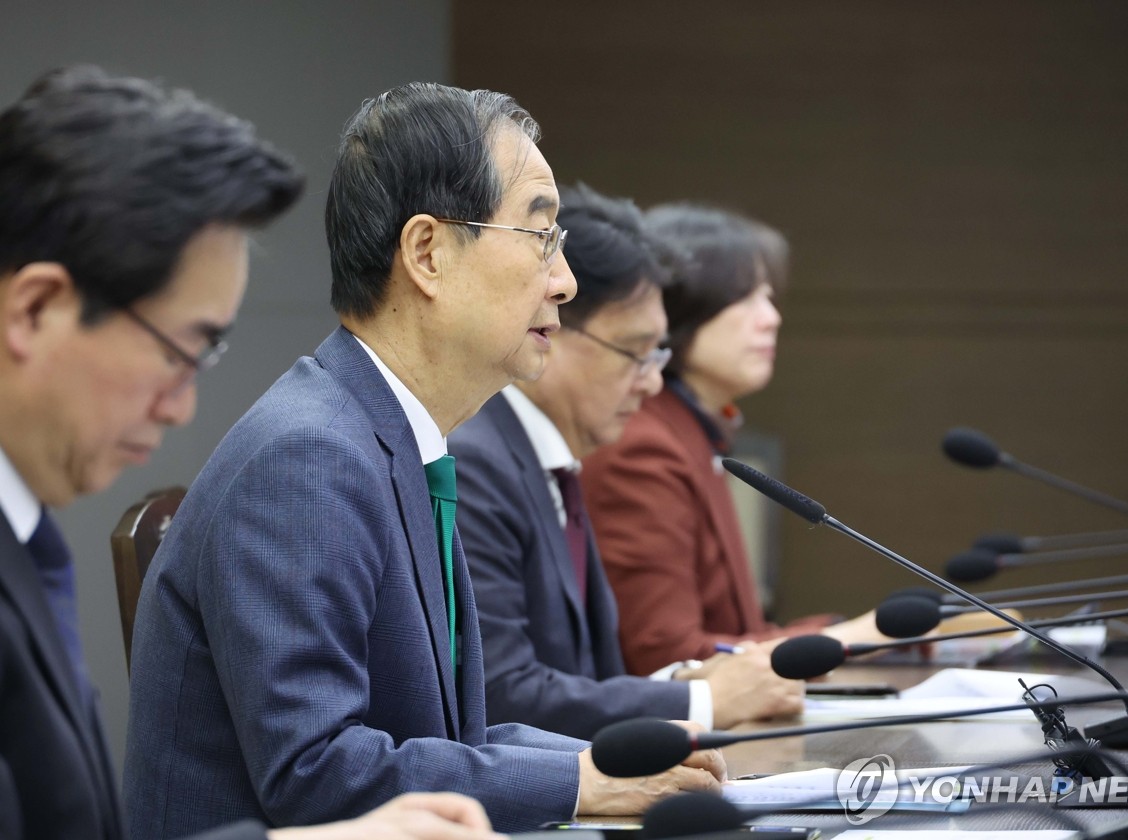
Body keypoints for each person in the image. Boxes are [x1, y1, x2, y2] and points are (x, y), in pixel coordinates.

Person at [124, 83, 724, 839]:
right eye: (541, 236)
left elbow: (452, 743)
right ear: (428, 253)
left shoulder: (387, 436)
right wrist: (578, 783)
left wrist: (610, 770)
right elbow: (317, 772)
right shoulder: (308, 459)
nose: (564, 280)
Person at [0, 65, 506, 840]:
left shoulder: (27, 537)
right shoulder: (308, 450)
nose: (183, 406)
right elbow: (316, 765)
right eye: (179, 350)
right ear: (34, 310)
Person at [448, 183, 805, 740]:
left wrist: (686, 680)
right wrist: (702, 699)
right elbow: (501, 694)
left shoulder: (554, 459)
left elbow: (588, 675)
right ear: (552, 329)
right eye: (635, 353)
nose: (653, 381)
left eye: (658, 353)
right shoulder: (479, 462)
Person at [581, 204, 878, 675]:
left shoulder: (693, 430)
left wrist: (855, 635)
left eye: (770, 297)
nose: (771, 318)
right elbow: (667, 656)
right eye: (747, 298)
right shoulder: (642, 445)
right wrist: (855, 637)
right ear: (680, 308)